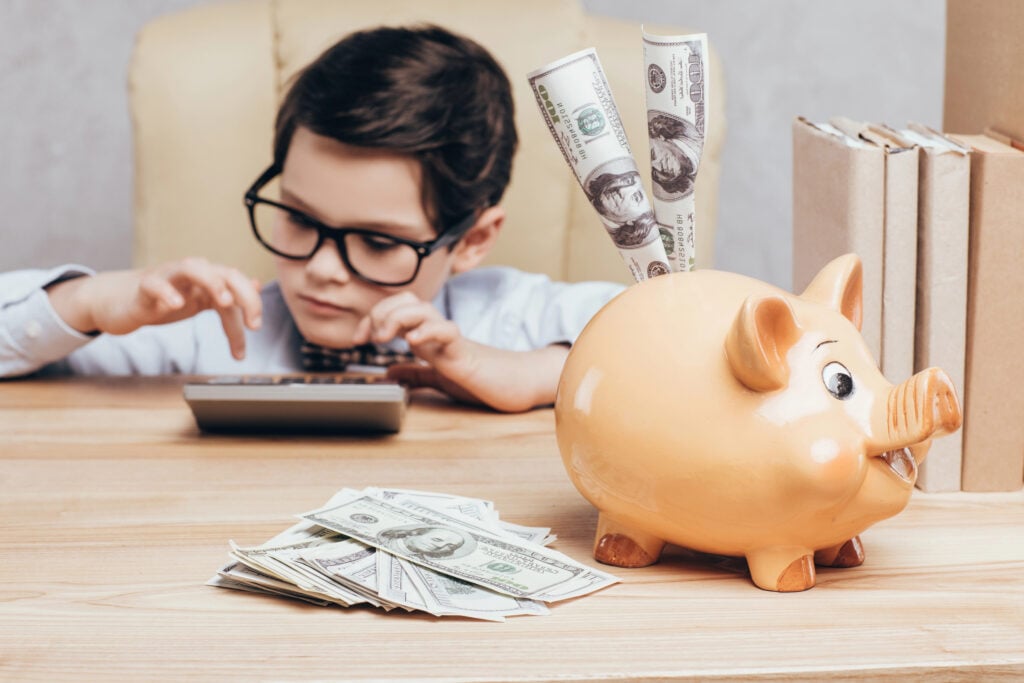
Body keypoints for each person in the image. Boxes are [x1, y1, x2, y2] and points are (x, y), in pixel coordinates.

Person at [0, 25, 624, 412]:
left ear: (473, 240)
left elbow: (704, 339)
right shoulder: (207, 334)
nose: (322, 270)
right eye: (298, 219)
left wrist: (539, 373)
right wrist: (84, 303)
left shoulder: (517, 318)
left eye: (378, 242)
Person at [647, 111, 701, 200]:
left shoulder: (692, 131)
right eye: (663, 173)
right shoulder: (696, 187)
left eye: (653, 155)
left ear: (660, 137)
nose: (659, 167)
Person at [378, 525, 474, 560]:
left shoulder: (422, 560)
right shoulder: (383, 541)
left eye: (450, 546)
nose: (440, 546)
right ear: (415, 533)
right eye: (437, 539)